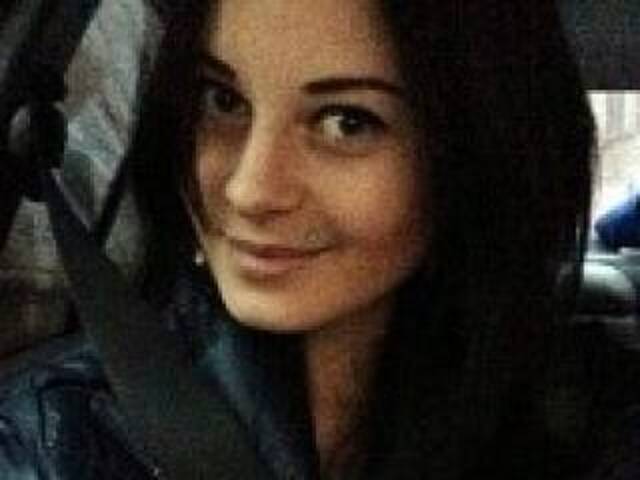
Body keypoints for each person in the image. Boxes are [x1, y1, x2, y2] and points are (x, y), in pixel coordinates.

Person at [2, 0, 640, 479]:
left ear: (480, 155)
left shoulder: (588, 415)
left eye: (346, 122)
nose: (250, 189)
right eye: (223, 101)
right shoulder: (56, 437)